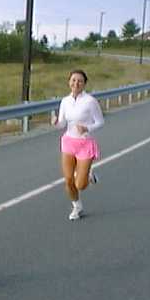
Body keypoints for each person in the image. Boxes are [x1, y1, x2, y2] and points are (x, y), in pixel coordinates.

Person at [54, 69, 104, 220]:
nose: (76, 83)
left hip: (85, 143)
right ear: (69, 82)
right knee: (68, 180)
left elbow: (100, 122)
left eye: (80, 81)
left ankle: (87, 174)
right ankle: (77, 206)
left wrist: (87, 128)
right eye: (73, 80)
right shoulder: (65, 101)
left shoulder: (90, 101)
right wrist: (56, 123)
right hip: (69, 142)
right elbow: (62, 123)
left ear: (84, 84)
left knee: (80, 185)